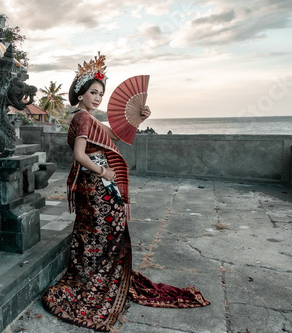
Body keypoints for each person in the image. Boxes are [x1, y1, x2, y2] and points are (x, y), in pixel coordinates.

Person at [41, 53, 210, 332]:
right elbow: (79, 155)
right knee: (104, 228)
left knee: (101, 230)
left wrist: (137, 119)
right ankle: (98, 277)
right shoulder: (83, 119)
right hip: (94, 183)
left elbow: (116, 136)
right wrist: (103, 172)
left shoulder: (89, 119)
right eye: (93, 92)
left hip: (94, 185)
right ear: (81, 94)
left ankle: (102, 274)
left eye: (101, 94)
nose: (97, 97)